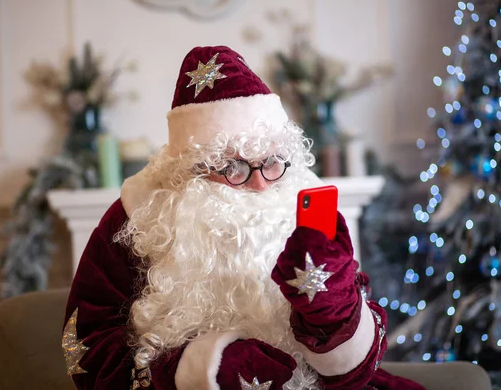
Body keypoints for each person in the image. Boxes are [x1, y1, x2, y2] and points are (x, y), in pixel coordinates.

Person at [62, 45, 424, 390]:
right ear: (190, 170)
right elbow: (85, 346)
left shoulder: (300, 202)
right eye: (233, 167)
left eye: (271, 162)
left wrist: (335, 315)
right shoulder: (136, 218)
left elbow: (360, 366)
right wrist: (207, 369)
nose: (260, 184)